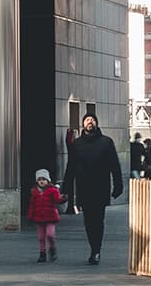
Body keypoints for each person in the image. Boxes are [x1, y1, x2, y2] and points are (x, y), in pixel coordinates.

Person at [61, 112, 122, 265]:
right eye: (87, 120)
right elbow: (71, 167)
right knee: (88, 221)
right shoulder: (77, 144)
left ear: (96, 123)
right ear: (83, 124)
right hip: (84, 187)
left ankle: (96, 250)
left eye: (93, 120)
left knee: (98, 220)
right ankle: (93, 248)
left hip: (100, 186)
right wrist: (66, 187)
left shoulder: (106, 142)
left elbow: (114, 165)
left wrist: (118, 185)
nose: (90, 122)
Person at [27, 168, 64, 262]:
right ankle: (42, 253)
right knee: (41, 237)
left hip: (50, 217)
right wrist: (30, 217)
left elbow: (57, 200)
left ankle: (52, 248)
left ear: (48, 180)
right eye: (39, 180)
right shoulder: (35, 192)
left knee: (50, 235)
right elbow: (32, 205)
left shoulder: (53, 190)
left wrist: (64, 199)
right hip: (39, 218)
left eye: (43, 179)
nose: (41, 182)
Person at [62, 127, 78, 213]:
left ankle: (72, 206)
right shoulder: (73, 145)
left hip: (72, 167)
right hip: (73, 166)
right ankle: (72, 206)